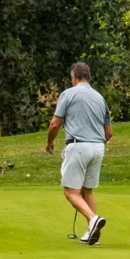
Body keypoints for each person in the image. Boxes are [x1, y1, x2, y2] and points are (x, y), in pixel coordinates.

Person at [44, 61, 111, 245]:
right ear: (88, 77)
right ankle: (92, 233)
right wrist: (96, 144)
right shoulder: (100, 98)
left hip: (78, 145)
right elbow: (109, 132)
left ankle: (92, 219)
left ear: (74, 77)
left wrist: (49, 143)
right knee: (86, 190)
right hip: (98, 147)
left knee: (71, 192)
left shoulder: (68, 94)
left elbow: (55, 124)